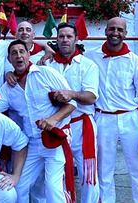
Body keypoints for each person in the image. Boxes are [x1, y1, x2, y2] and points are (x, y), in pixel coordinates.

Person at [0, 40, 77, 203]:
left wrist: (53, 119)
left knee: (53, 188)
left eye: (21, 51)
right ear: (9, 60)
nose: (18, 56)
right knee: (19, 187)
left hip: (54, 140)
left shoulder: (46, 73)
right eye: (14, 53)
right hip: (31, 144)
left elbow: (72, 103)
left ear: (29, 54)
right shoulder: (8, 88)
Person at [85, 17, 138, 203]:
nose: (115, 33)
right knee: (103, 171)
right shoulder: (90, 57)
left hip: (130, 119)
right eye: (112, 29)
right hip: (102, 119)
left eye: (120, 30)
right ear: (105, 31)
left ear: (125, 33)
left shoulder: (135, 62)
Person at [49, 23, 100, 203]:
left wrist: (71, 94)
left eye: (69, 36)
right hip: (58, 126)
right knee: (57, 173)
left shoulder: (88, 65)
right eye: (61, 36)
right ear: (56, 39)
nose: (64, 40)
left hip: (81, 125)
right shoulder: (47, 63)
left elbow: (91, 96)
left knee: (88, 173)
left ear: (76, 39)